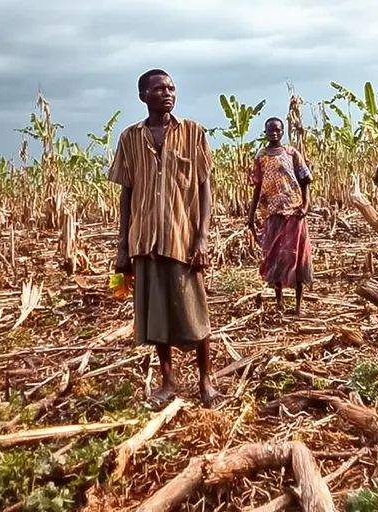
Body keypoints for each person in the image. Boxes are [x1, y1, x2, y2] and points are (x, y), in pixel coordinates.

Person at [109, 69, 223, 409]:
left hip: (182, 239)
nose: (167, 92)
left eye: (171, 87)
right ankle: (168, 381)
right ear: (143, 96)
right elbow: (126, 193)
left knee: (195, 313)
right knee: (156, 315)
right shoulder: (130, 138)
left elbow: (204, 188)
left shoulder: (192, 133)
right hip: (145, 239)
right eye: (159, 88)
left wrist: (201, 237)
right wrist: (122, 246)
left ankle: (206, 380)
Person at [247, 117, 313, 316]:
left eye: (277, 130)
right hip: (272, 214)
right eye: (270, 130)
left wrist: (307, 205)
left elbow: (305, 180)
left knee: (298, 257)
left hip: (295, 212)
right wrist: (250, 216)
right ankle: (279, 304)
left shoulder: (292, 153)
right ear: (265, 132)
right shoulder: (261, 156)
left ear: (282, 132)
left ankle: (299, 305)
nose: (274, 133)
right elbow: (257, 188)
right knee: (275, 257)